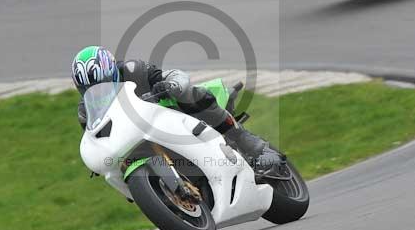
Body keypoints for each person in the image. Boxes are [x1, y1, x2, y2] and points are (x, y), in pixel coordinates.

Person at [72, 45, 284, 175]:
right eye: (89, 88)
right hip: (136, 137)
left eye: (103, 83)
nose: (98, 91)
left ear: (112, 71)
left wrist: (170, 85)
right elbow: (98, 139)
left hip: (171, 114)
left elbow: (173, 75)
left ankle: (252, 145)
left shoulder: (133, 69)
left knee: (191, 96)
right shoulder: (85, 111)